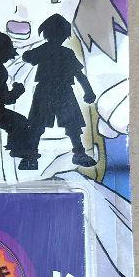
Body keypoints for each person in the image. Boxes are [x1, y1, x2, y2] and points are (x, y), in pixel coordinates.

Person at [19, 14, 97, 170]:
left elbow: (28, 57)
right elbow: (79, 75)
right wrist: (88, 91)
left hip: (53, 91)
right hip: (56, 91)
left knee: (64, 124)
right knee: (44, 125)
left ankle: (32, 157)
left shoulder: (54, 51)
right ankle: (32, 156)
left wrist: (89, 91)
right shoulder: (64, 52)